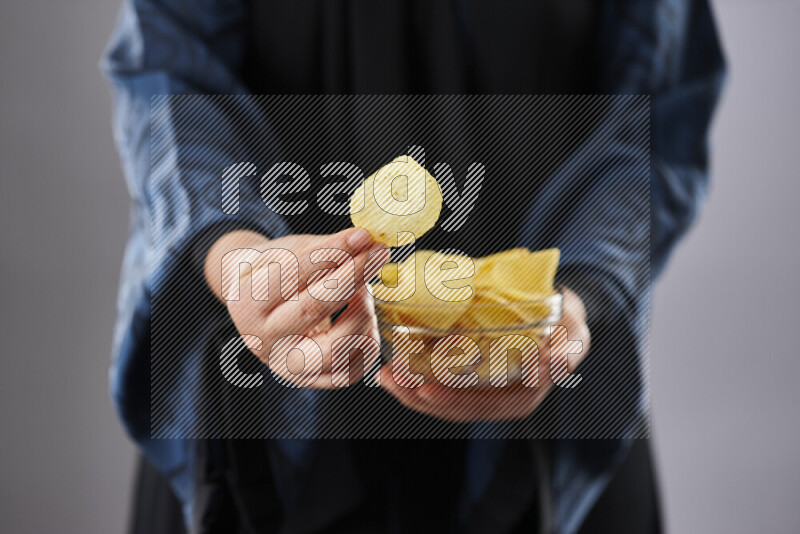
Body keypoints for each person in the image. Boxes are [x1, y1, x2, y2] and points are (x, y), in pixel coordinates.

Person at [102, 1, 725, 532]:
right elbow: (168, 64)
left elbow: (659, 105)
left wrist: (574, 300)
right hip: (252, 432)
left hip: (544, 427)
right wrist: (232, 253)